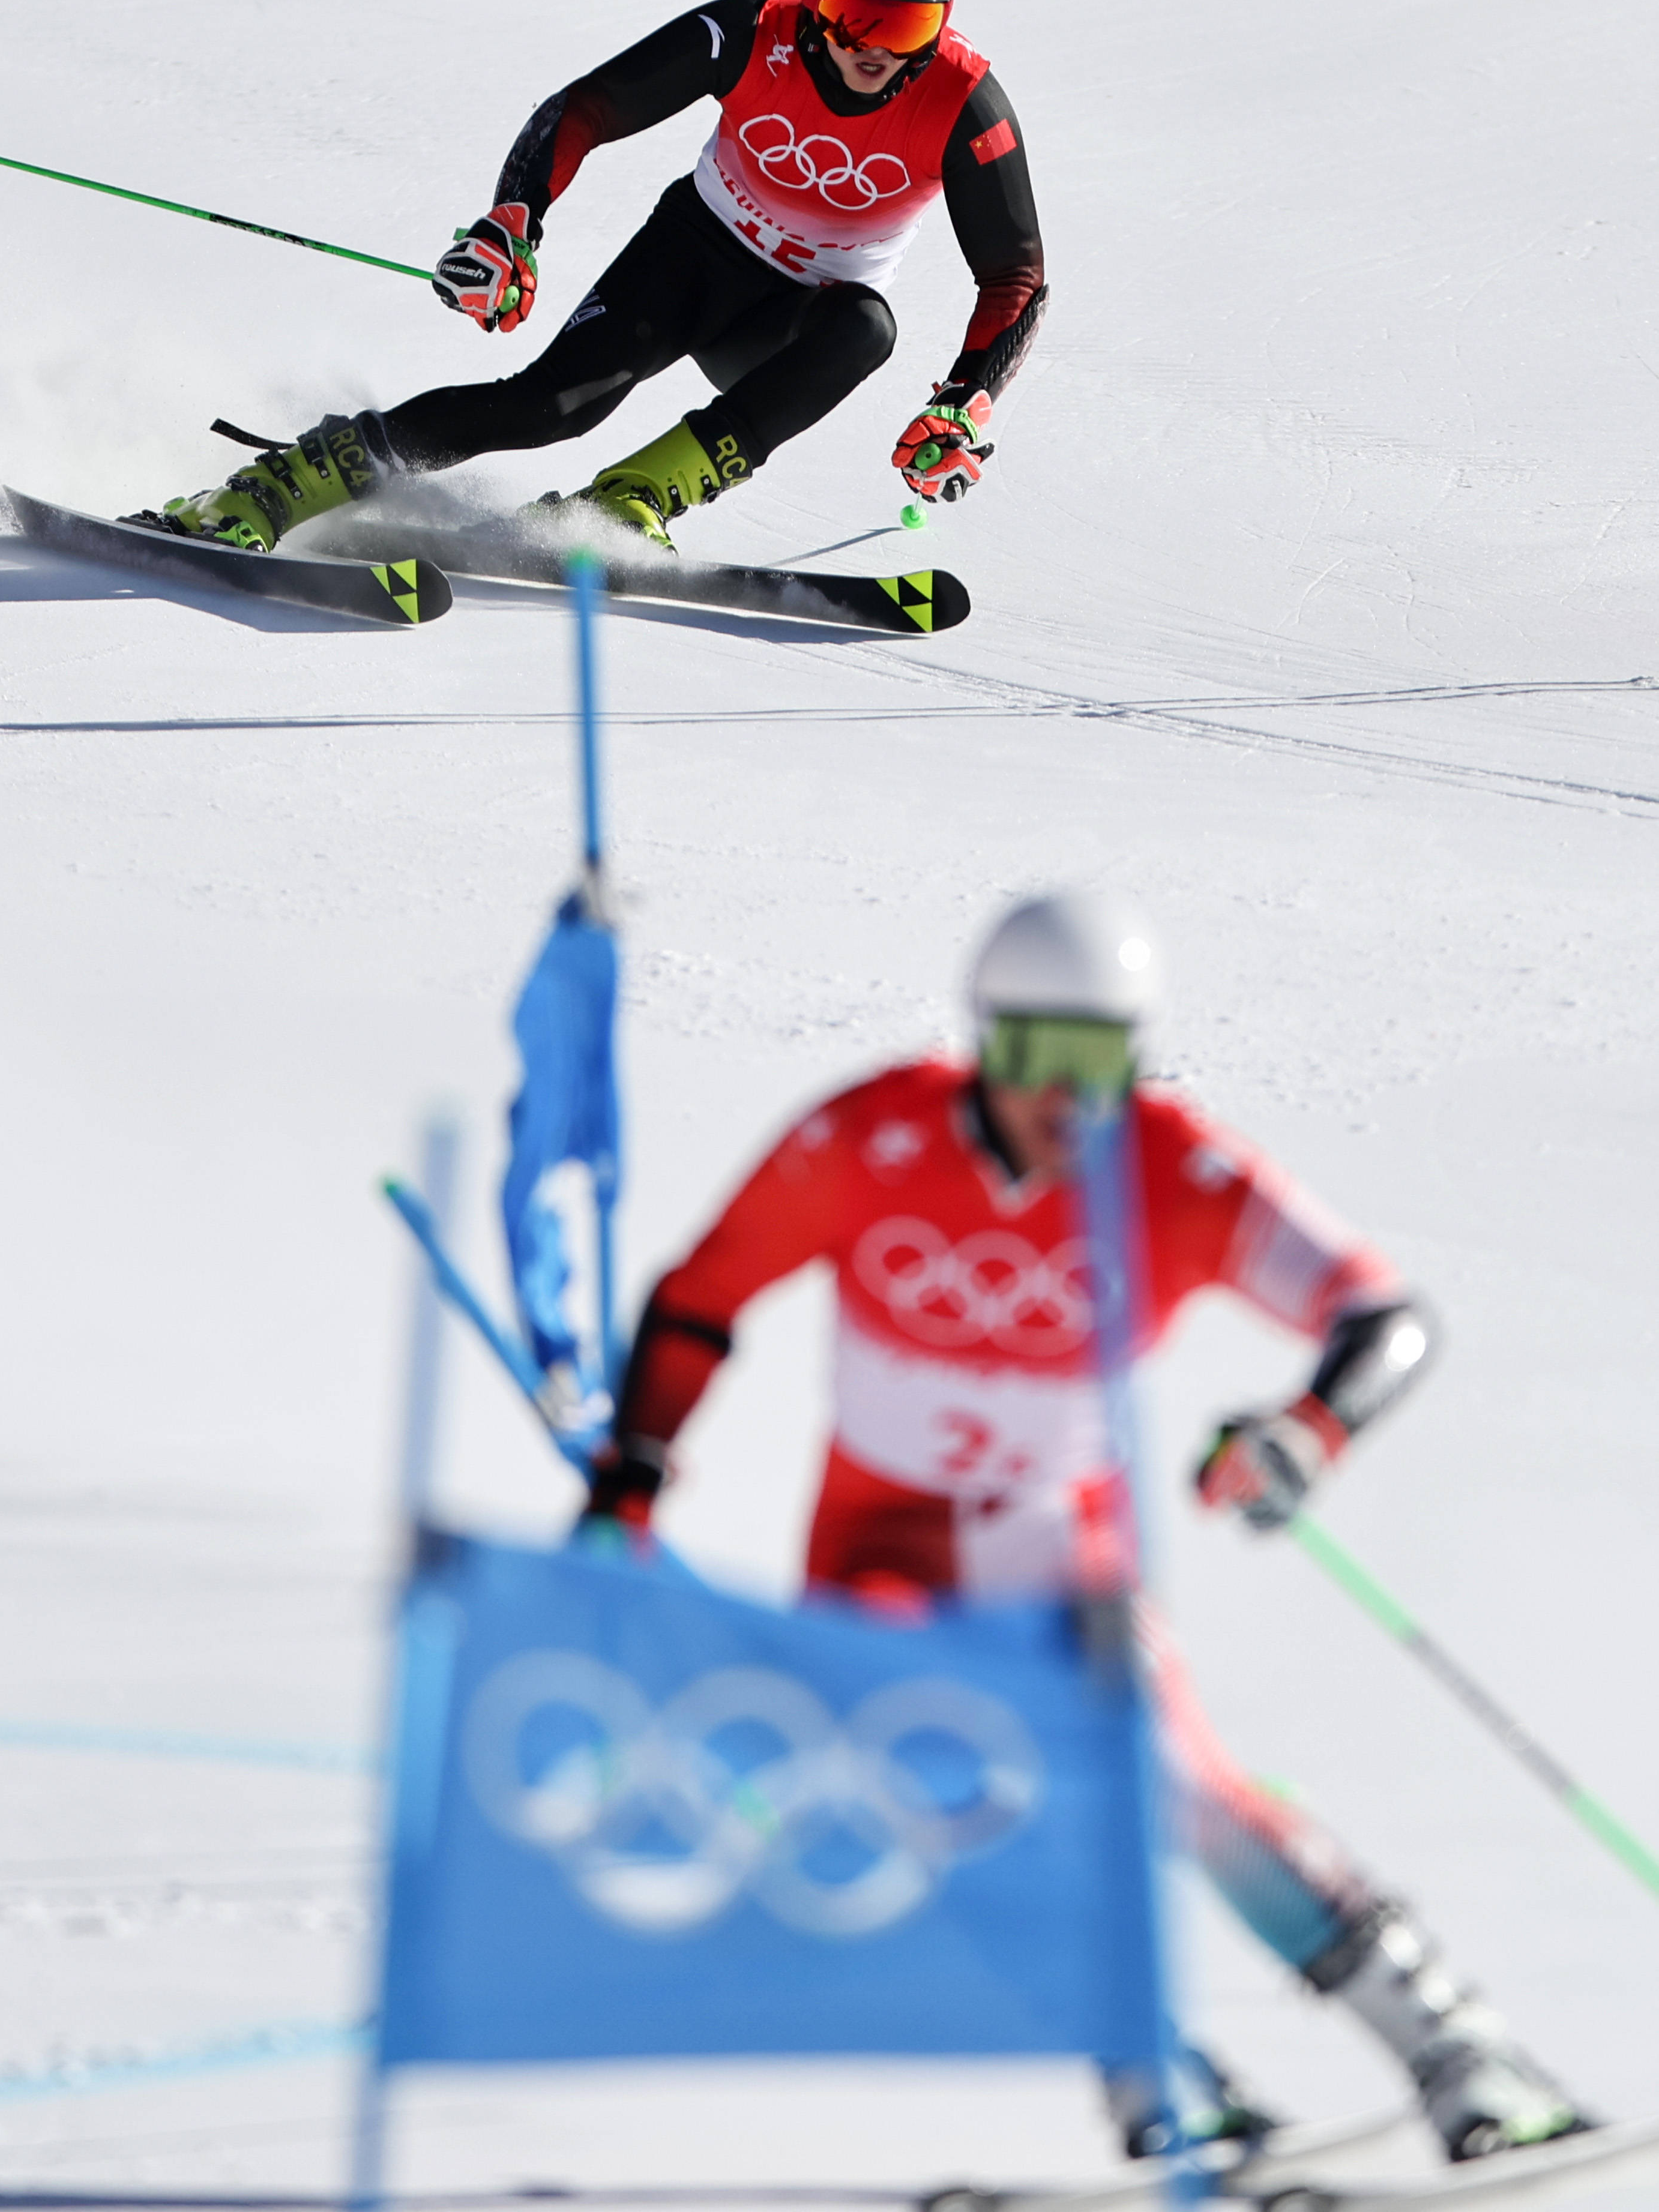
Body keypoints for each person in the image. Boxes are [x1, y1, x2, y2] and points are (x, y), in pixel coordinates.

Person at [578, 892, 1590, 2164]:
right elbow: (699, 1294)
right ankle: (1157, 2079)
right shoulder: (869, 1135)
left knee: (1178, 1787)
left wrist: (1304, 1430)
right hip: (876, 1548)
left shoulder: (1170, 1169)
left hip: (1058, 1548)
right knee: (929, 1789)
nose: (1063, 1098)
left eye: (1097, 1063)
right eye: (1033, 1057)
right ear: (983, 1042)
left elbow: (1381, 1318)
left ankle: (1462, 2057)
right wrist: (630, 1478)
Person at [134, 0, 1044, 554]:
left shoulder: (966, 106)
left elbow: (1013, 275)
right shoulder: (746, 34)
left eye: (906, 32)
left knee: (866, 329)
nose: (875, 55)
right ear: (813, 1)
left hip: (797, 315)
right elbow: (582, 111)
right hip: (694, 254)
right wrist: (510, 226)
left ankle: (630, 501)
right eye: (852, 21)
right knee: (551, 407)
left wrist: (968, 399)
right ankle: (281, 485)